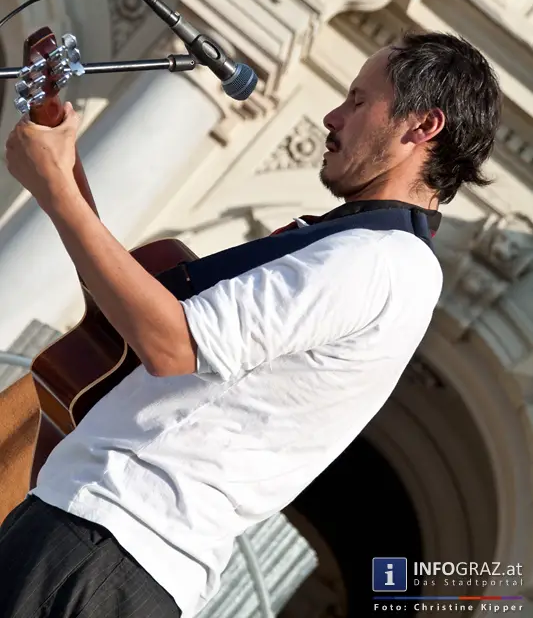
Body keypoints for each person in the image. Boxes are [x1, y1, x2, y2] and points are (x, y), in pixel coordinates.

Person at [0, 31, 501, 618]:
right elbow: (128, 311)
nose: (332, 116)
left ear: (422, 127)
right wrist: (61, 168)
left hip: (108, 541)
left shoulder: (381, 259)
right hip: (103, 540)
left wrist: (58, 189)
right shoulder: (369, 252)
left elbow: (171, 343)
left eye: (359, 101)